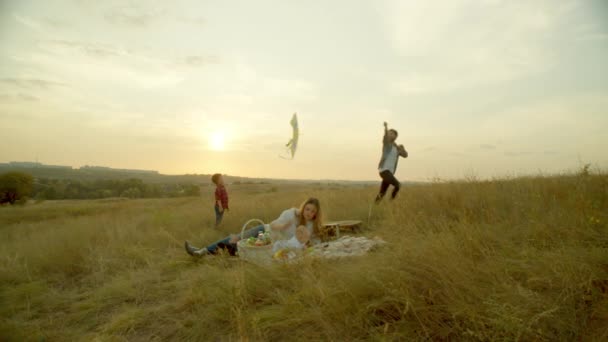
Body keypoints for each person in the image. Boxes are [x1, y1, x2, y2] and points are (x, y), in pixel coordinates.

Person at [185, 197, 323, 256]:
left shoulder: (311, 226)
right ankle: (202, 251)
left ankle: (213, 254)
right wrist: (281, 226)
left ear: (316, 214)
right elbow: (274, 224)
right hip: (265, 231)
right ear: (303, 207)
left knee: (240, 250)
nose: (309, 213)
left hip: (273, 245)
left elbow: (313, 241)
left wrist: (307, 246)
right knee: (236, 238)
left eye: (313, 211)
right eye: (308, 209)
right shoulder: (292, 213)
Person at [375, 121, 408, 203]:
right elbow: (385, 136)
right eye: (389, 133)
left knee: (382, 193)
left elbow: (405, 155)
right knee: (398, 185)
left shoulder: (397, 148)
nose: (389, 134)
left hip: (390, 172)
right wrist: (386, 127)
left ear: (395, 136)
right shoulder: (387, 144)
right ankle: (391, 202)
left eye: (391, 133)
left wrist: (402, 148)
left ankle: (374, 206)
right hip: (384, 170)